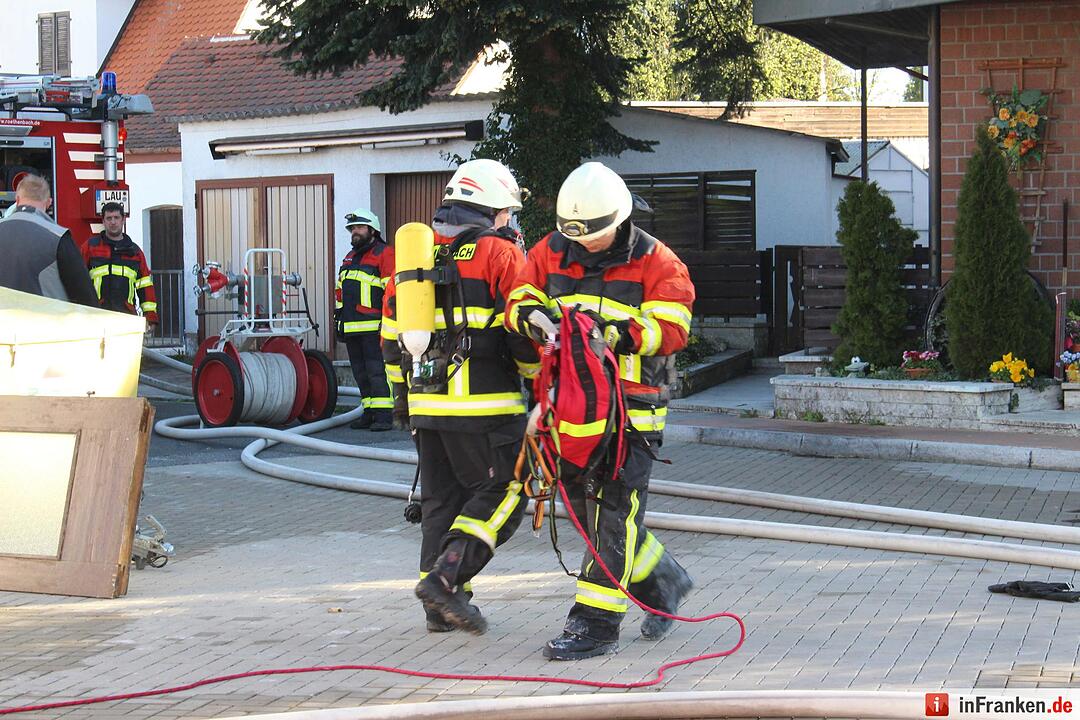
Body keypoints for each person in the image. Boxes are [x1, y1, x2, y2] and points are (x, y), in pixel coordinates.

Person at [505, 161, 696, 660]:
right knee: (588, 513)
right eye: (577, 238)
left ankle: (594, 625)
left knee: (614, 515)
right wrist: (532, 317)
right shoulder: (550, 249)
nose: (584, 247)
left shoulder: (661, 263)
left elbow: (672, 328)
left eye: (594, 237)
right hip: (568, 411)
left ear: (619, 220)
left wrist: (618, 331)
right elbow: (519, 296)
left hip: (632, 413)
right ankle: (665, 581)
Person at [382, 159, 539, 634]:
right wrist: (536, 384)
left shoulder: (412, 260)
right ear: (493, 210)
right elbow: (521, 329)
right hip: (487, 408)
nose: (509, 221)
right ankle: (446, 583)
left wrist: (404, 403)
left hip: (427, 409)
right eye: (507, 212)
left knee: (440, 504)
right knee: (507, 492)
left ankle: (438, 612)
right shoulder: (501, 254)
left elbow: (391, 340)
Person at [335, 208, 395, 431]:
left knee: (377, 371)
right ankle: (368, 413)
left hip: (375, 327)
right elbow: (341, 289)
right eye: (352, 229)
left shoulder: (384, 253)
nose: (355, 232)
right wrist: (338, 319)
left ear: (372, 230)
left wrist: (389, 322)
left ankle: (384, 416)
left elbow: (392, 291)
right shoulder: (350, 256)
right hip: (351, 326)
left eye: (359, 228)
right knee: (360, 373)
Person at [0, 174, 97, 305]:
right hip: (44, 322)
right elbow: (86, 297)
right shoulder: (59, 237)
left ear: (17, 200)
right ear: (49, 202)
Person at [80, 201, 158, 326]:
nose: (113, 222)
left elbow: (145, 286)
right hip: (96, 316)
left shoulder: (135, 252)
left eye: (116, 218)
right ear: (103, 221)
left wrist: (150, 317)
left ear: (123, 220)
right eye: (109, 218)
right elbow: (78, 280)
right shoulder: (90, 247)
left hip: (126, 317)